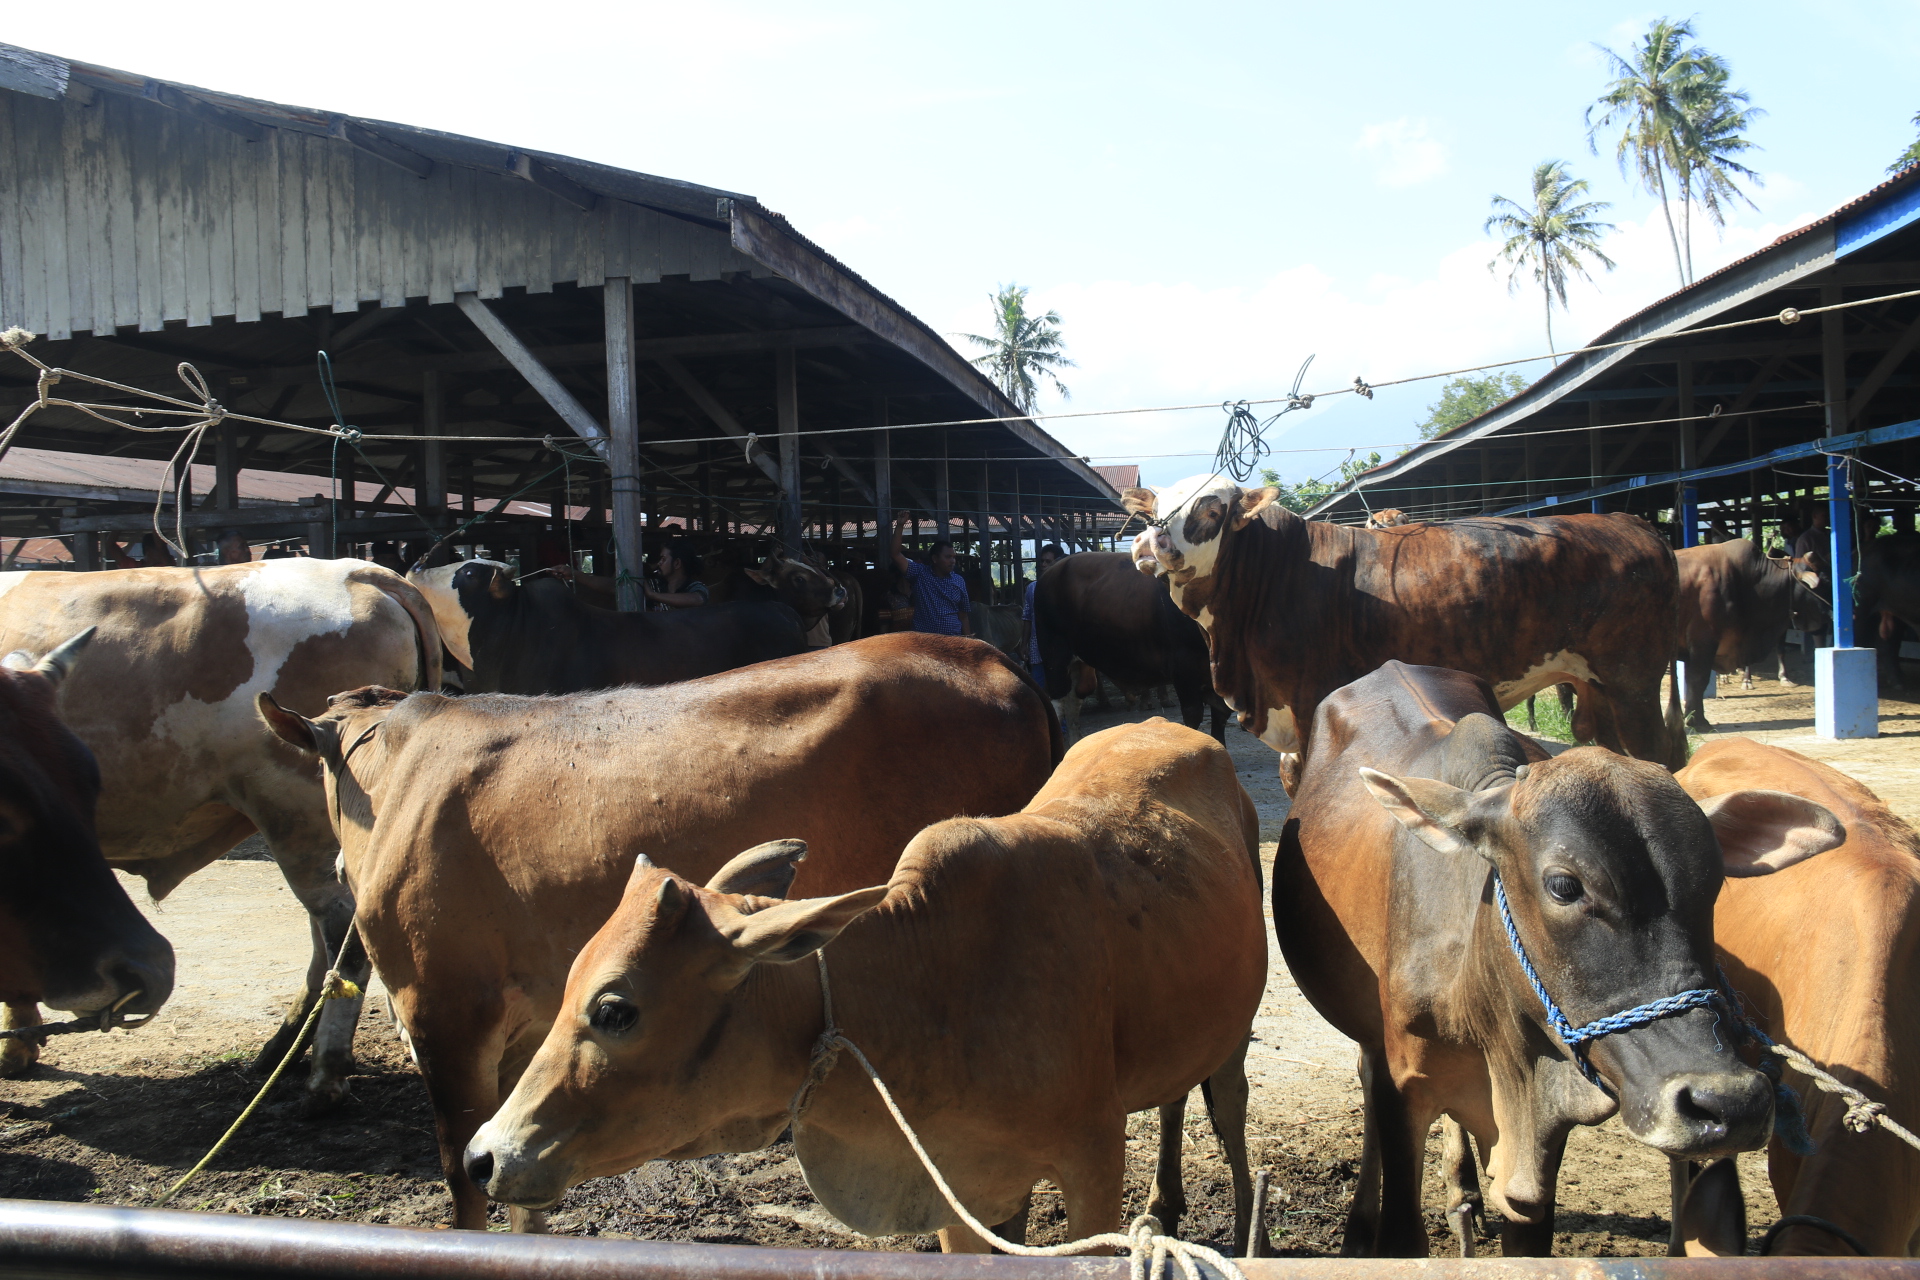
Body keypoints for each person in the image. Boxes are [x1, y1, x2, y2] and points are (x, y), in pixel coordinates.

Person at [890, 511, 972, 637]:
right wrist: (900, 526)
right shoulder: (919, 574)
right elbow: (896, 555)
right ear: (934, 559)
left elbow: (963, 615)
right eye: (948, 557)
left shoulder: (959, 581)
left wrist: (968, 641)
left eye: (954, 557)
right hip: (924, 643)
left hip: (952, 642)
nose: (952, 561)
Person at [1019, 543, 1064, 675]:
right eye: (1042, 561)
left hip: (1060, 647)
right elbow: (1027, 618)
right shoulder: (1032, 588)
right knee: (1039, 685)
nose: (1043, 564)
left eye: (1048, 561)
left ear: (1058, 563)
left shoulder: (1065, 589)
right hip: (1037, 646)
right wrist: (1024, 644)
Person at [644, 541, 708, 610]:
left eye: (663, 559)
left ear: (677, 563)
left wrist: (652, 595)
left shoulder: (695, 587)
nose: (659, 563)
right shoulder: (654, 585)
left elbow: (698, 600)